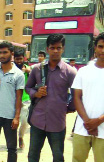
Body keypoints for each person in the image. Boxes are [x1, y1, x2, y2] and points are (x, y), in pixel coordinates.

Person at [26, 34, 77, 162]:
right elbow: (28, 87)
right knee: (32, 155)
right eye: (52, 47)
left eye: (58, 48)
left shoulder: (70, 72)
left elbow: (76, 94)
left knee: (58, 156)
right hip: (37, 120)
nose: (55, 51)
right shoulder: (37, 69)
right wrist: (36, 94)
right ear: (47, 49)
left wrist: (68, 108)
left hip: (57, 122)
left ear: (63, 49)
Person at [72, 32, 104, 162]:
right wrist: (88, 123)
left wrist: (98, 121)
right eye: (100, 46)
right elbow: (77, 97)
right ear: (95, 48)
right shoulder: (83, 71)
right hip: (82, 128)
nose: (103, 50)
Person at [13, 49, 31, 149]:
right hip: (13, 100)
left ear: (24, 58)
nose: (19, 61)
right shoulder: (11, 69)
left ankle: (21, 137)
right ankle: (13, 140)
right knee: (13, 122)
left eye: (20, 59)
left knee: (25, 121)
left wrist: (29, 72)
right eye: (17, 59)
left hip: (26, 99)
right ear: (14, 59)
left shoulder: (29, 69)